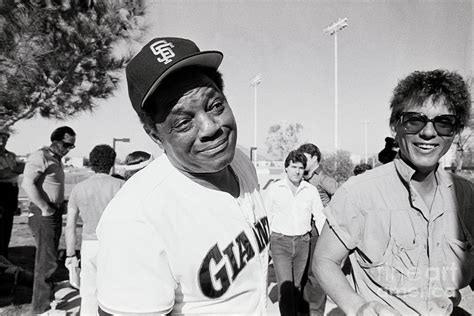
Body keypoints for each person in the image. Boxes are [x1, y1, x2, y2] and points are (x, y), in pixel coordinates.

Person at [96, 37, 269, 315]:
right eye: (183, 121)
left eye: (215, 105)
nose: (210, 127)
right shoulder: (135, 218)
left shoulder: (241, 162)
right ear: (155, 135)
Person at [313, 69, 474, 315]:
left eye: (443, 122)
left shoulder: (465, 195)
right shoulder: (358, 193)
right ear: (395, 126)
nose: (428, 133)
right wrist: (358, 307)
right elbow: (324, 261)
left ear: (455, 131)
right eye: (414, 120)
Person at [22, 126, 76, 314]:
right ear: (55, 140)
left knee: (49, 258)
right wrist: (45, 208)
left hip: (53, 212)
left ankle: (46, 299)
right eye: (66, 144)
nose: (69, 148)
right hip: (42, 213)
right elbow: (27, 183)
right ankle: (40, 308)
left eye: (72, 146)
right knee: (46, 261)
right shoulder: (40, 157)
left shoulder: (57, 159)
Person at [65, 144, 125, 314]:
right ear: (112, 162)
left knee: (88, 291)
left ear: (91, 163)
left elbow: (70, 225)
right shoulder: (120, 186)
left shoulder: (79, 189)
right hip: (114, 244)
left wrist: (70, 253)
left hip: (89, 244)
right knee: (116, 289)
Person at [264, 150, 324, 316]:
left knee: (297, 286)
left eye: (300, 168)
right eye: (293, 167)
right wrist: (266, 245)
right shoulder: (275, 189)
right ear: (286, 168)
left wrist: (324, 243)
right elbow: (267, 218)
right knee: (286, 286)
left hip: (303, 243)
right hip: (280, 243)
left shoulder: (310, 190)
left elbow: (319, 216)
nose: (297, 171)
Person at [297, 143, 338, 316]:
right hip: (302, 229)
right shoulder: (301, 178)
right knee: (302, 273)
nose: (301, 161)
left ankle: (315, 312)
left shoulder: (323, 178)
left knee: (316, 274)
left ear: (314, 158)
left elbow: (341, 198)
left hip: (319, 231)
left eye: (305, 158)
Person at [0, 126, 24, 258]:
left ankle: (4, 254)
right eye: (0, 137)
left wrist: (11, 171)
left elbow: (22, 167)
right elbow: (2, 174)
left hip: (12, 190)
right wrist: (13, 170)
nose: (2, 140)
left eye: (5, 137)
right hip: (1, 190)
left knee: (8, 223)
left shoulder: (11, 155)